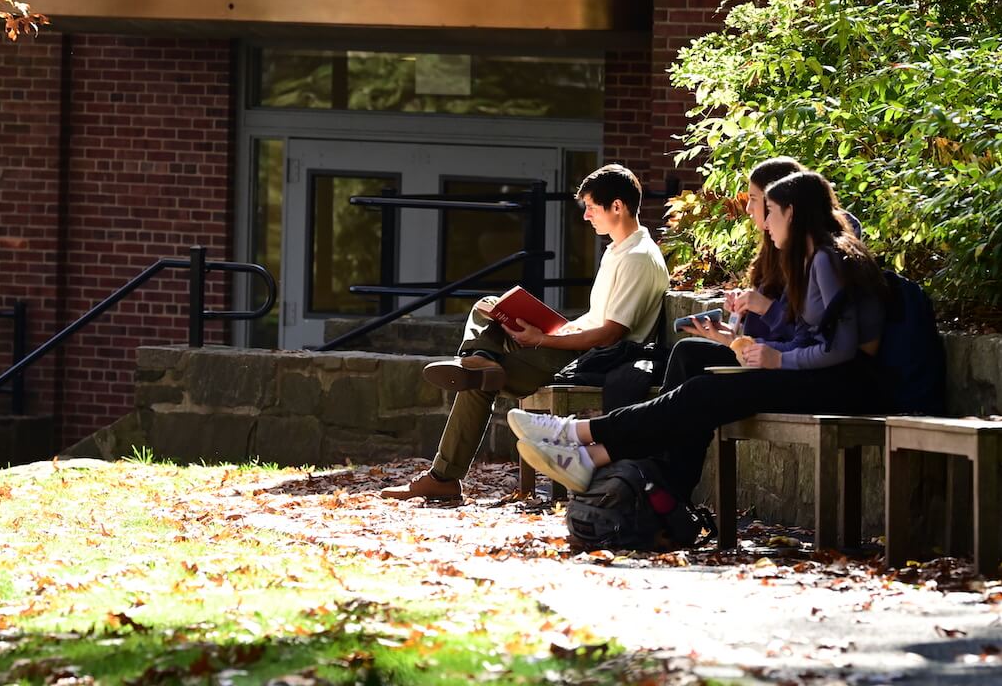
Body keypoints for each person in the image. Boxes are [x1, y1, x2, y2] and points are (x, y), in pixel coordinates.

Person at [509, 169, 885, 503]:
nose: (764, 222)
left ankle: (580, 438)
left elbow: (841, 349)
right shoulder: (810, 258)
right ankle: (599, 458)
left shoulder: (825, 258)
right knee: (696, 373)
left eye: (768, 210)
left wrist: (777, 357)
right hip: (820, 374)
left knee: (702, 393)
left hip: (845, 383)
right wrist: (760, 348)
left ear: (792, 212)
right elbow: (809, 338)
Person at [379, 163, 670, 503]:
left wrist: (542, 339)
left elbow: (609, 335)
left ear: (616, 206)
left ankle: (444, 473)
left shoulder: (637, 257)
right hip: (579, 348)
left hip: (597, 361)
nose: (587, 216)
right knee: (488, 307)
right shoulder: (617, 251)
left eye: (591, 207)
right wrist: (550, 326)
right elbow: (596, 319)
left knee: (479, 381)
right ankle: (479, 360)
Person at [661, 156, 803, 390]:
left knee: (693, 369)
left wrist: (764, 307)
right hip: (757, 355)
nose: (748, 209)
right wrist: (731, 332)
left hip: (781, 364)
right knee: (688, 353)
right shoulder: (770, 252)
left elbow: (800, 336)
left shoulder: (805, 257)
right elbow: (755, 338)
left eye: (754, 200)